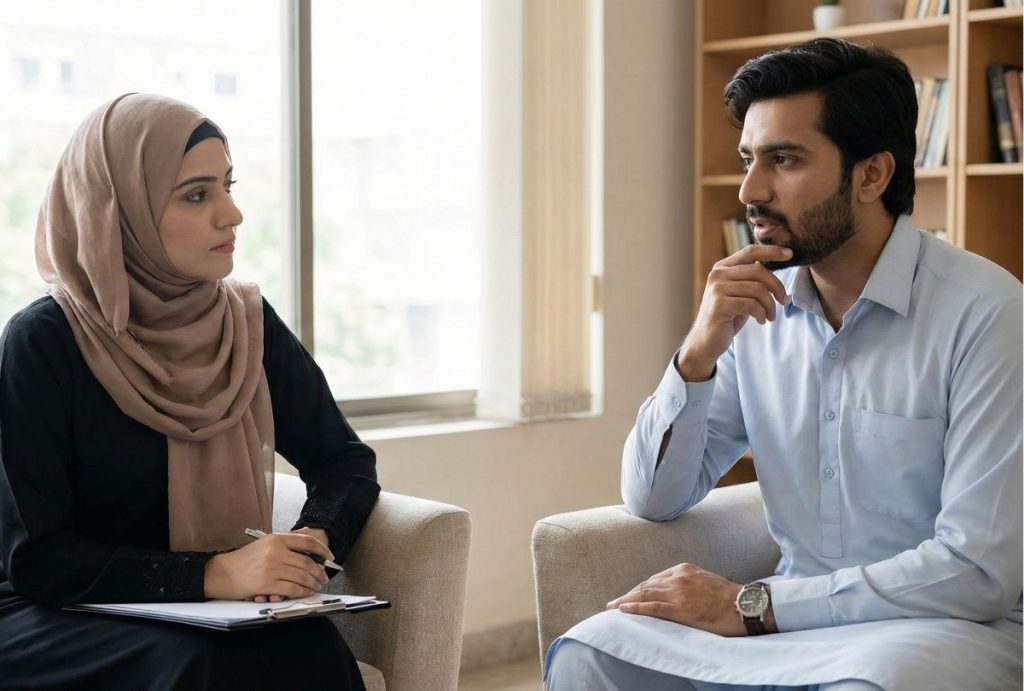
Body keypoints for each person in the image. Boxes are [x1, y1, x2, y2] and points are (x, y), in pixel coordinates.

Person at [545, 38, 1022, 690]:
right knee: (589, 649)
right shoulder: (752, 313)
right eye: (748, 159)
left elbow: (979, 572)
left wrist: (752, 606)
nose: (750, 189)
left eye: (785, 159)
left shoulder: (990, 313)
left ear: (872, 174)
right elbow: (653, 499)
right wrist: (697, 352)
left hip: (947, 626)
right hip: (789, 620)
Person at [0, 94, 380, 690]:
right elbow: (40, 560)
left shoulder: (246, 324)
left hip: (206, 610)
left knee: (308, 647)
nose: (233, 214)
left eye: (228, 186)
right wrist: (215, 574)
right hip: (52, 613)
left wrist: (312, 541)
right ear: (119, 211)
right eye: (198, 194)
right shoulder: (43, 342)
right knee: (204, 666)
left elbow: (344, 461)